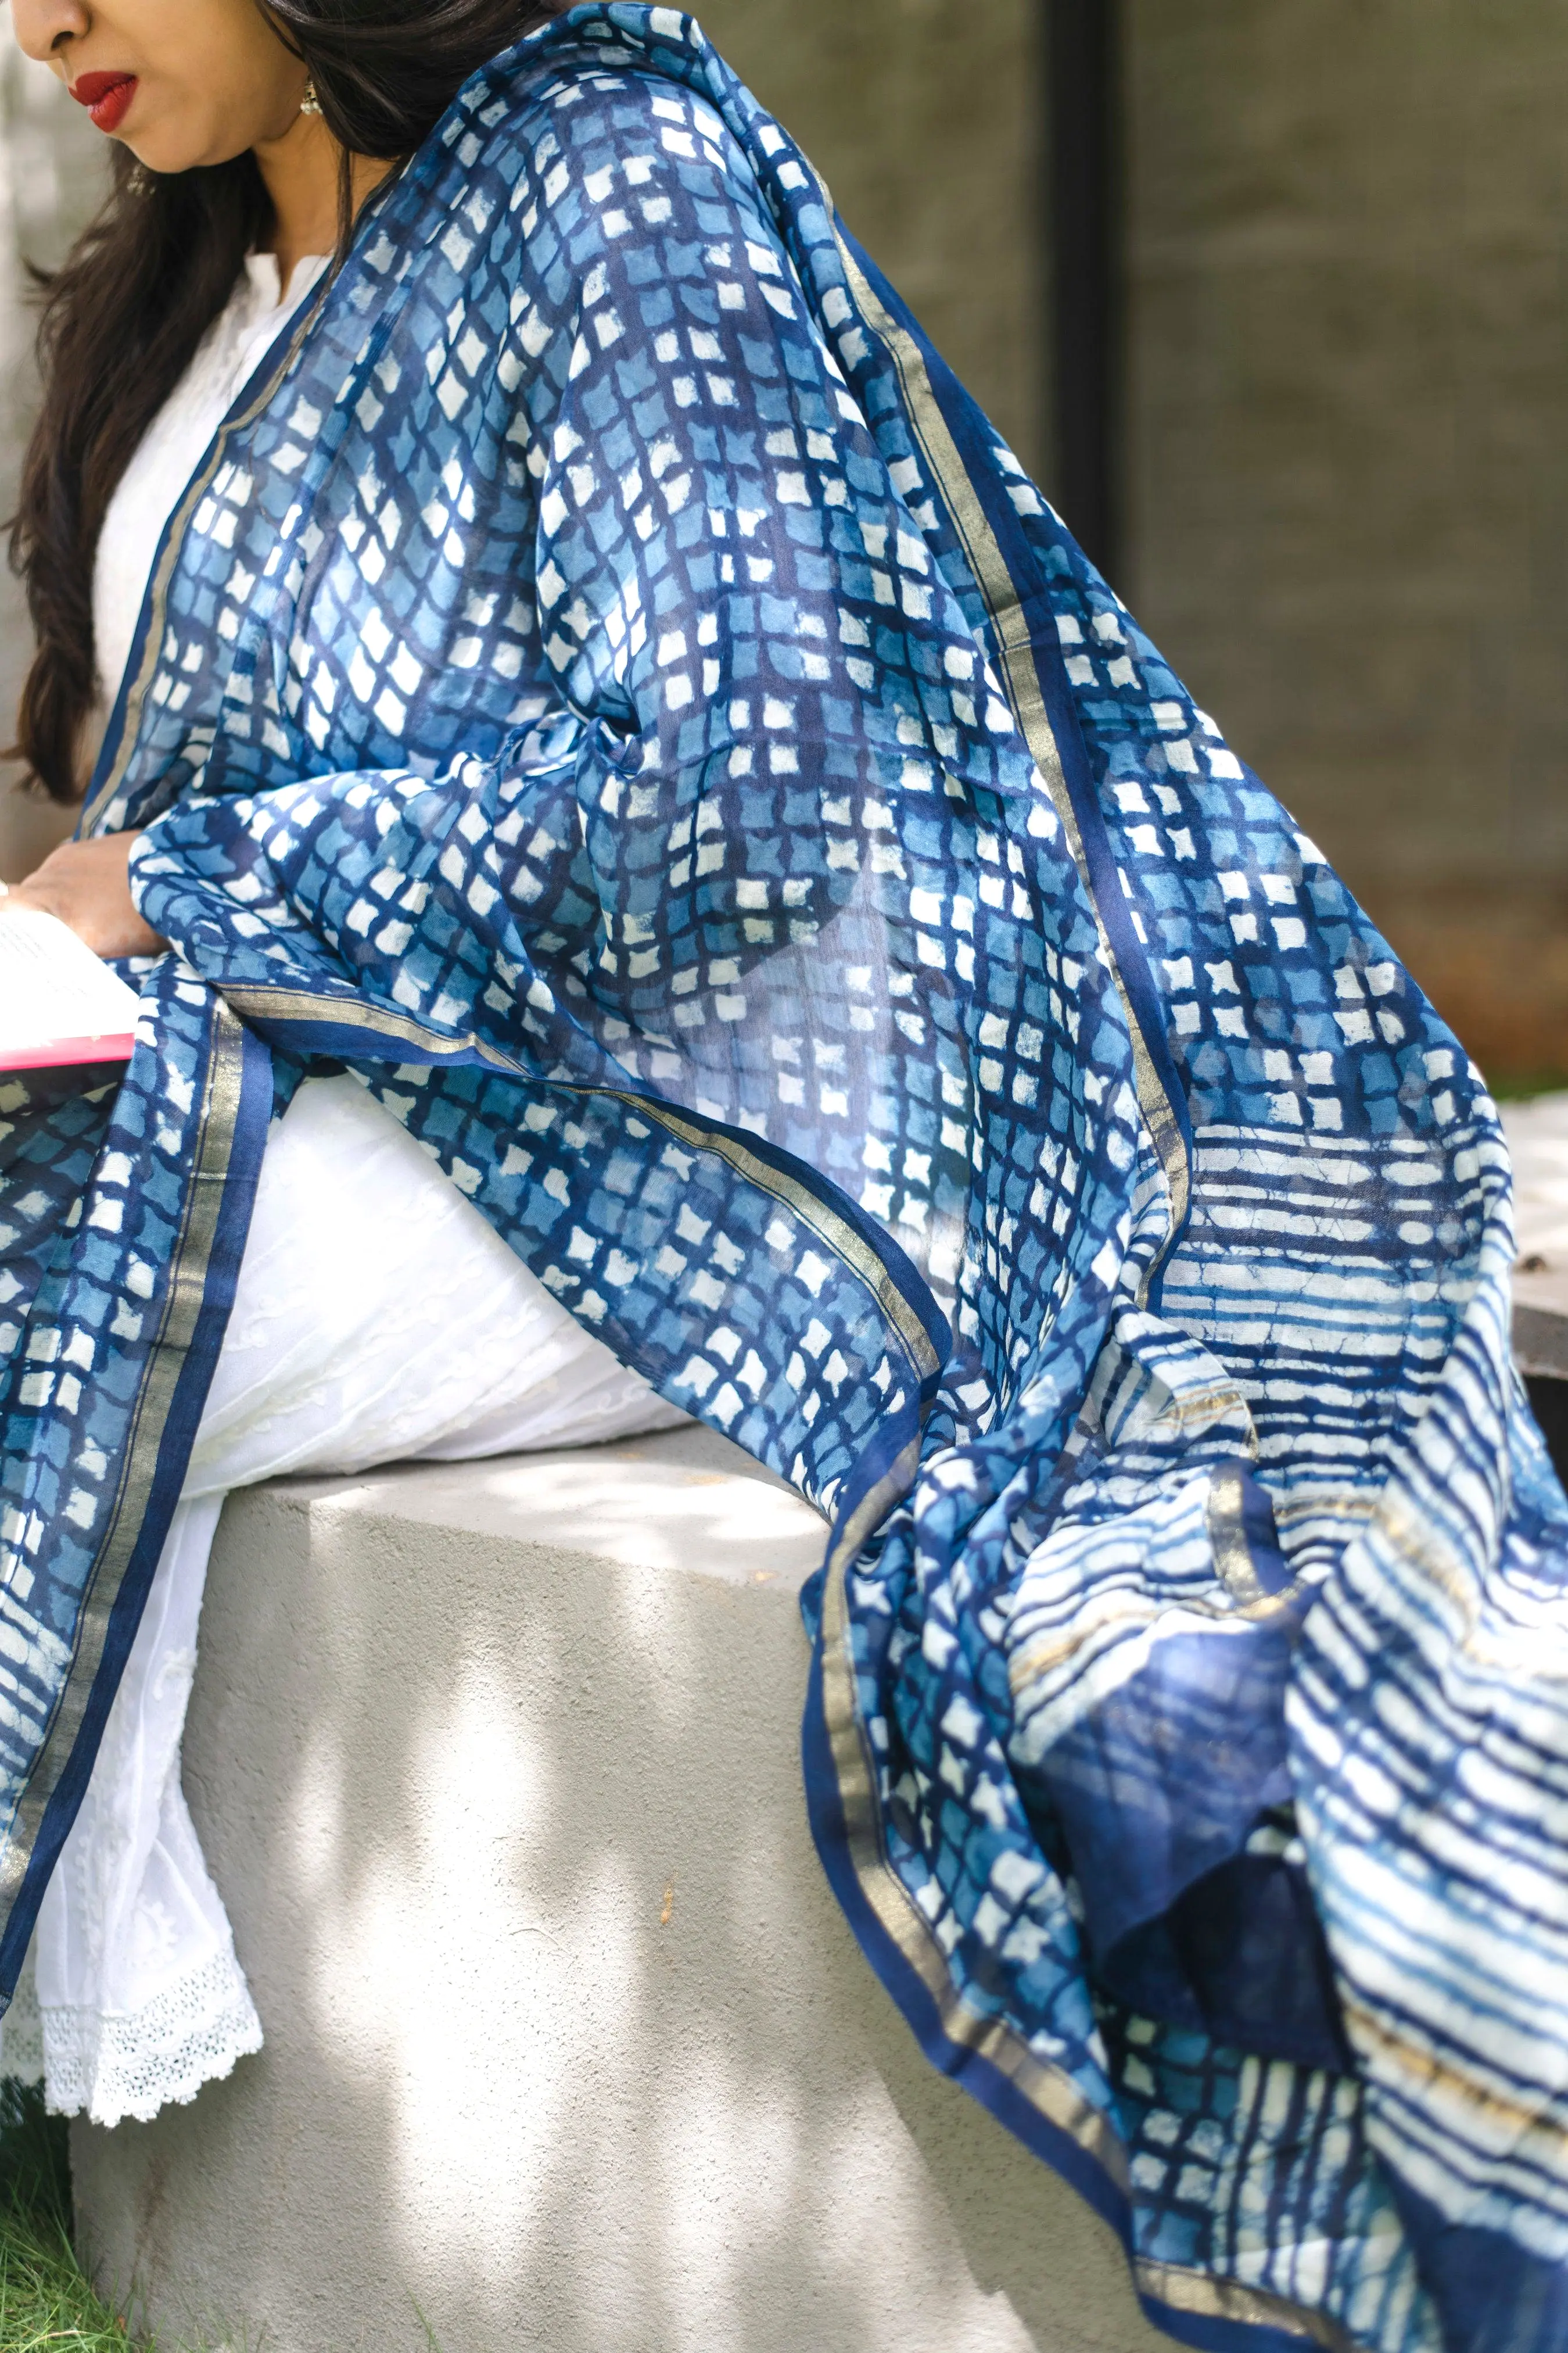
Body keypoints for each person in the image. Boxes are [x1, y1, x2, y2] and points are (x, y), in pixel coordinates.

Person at [0, 5, 1563, 2346]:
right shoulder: (187, 264)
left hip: (637, 1139)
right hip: (285, 1071)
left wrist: (169, 883)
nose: (43, 23)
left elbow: (733, 763)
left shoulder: (605, 163)